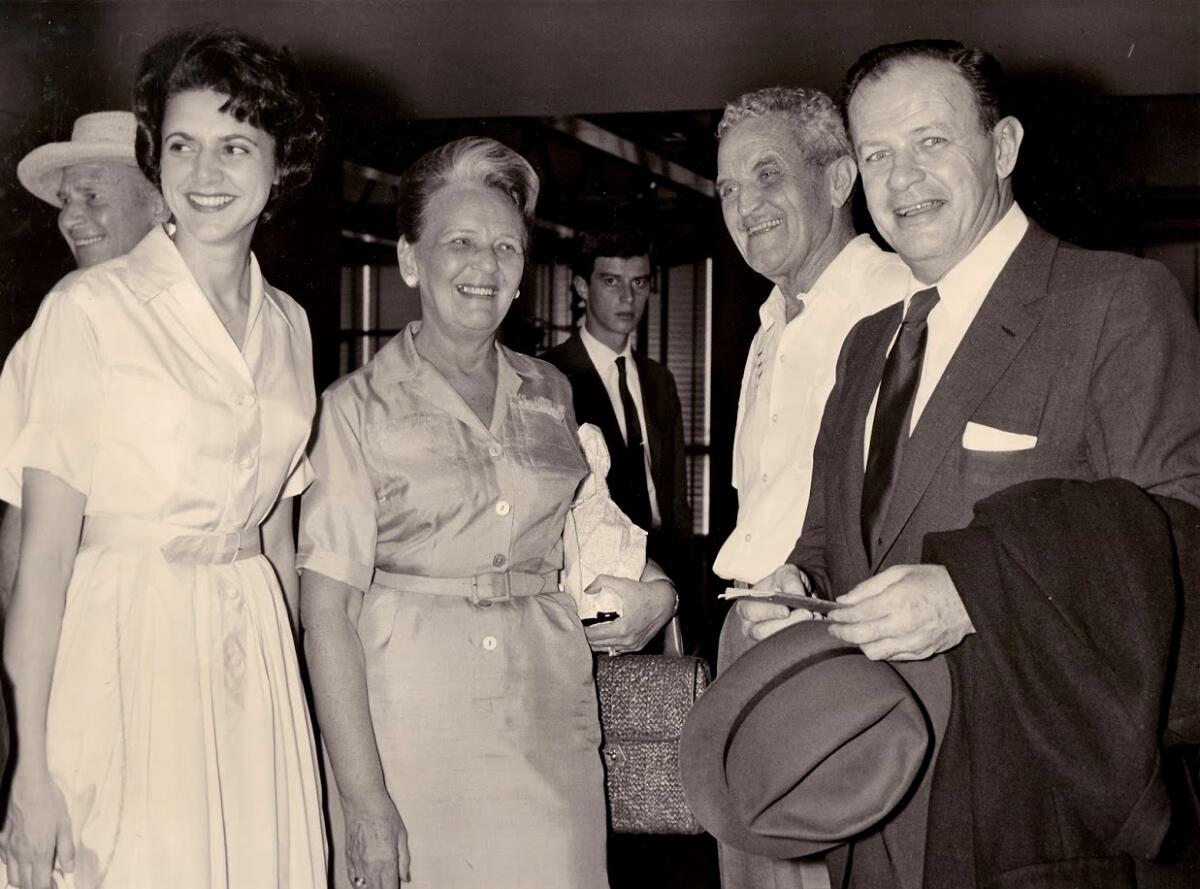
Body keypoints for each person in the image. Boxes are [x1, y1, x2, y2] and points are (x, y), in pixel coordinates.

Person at [741, 39, 1200, 888]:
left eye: (930, 141)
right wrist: (800, 586)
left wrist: (971, 591)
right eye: (876, 154)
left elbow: (1182, 536)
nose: (902, 178)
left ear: (1004, 147)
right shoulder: (867, 344)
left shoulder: (1115, 303)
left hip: (1031, 805)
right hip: (869, 796)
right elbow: (831, 539)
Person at [298, 136, 678, 889]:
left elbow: (592, 532)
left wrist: (659, 590)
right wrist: (365, 799)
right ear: (411, 259)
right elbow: (327, 614)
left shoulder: (554, 392)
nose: (486, 265)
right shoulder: (352, 410)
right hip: (411, 734)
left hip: (549, 723)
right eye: (461, 242)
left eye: (506, 246)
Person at [0, 27, 327, 889]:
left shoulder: (289, 325)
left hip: (249, 661)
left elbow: (280, 546)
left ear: (279, 164)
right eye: (182, 145)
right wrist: (29, 766)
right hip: (122, 652)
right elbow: (39, 562)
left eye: (235, 145)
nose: (205, 171)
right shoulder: (90, 311)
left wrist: (296, 712)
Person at [709, 86, 909, 889]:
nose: (743, 205)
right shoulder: (767, 324)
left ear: (837, 180)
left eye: (766, 175)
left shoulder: (899, 300)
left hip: (837, 640)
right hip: (749, 637)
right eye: (726, 188)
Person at [1, 110, 169, 607]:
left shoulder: (227, 311)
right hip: (90, 613)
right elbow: (21, 515)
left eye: (93, 197)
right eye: (66, 200)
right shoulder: (62, 317)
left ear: (159, 202)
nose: (70, 218)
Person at [542, 224, 692, 588]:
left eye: (639, 283)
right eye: (611, 281)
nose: (628, 297)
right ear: (582, 286)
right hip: (593, 571)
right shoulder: (550, 376)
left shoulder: (660, 379)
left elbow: (675, 494)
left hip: (665, 563)